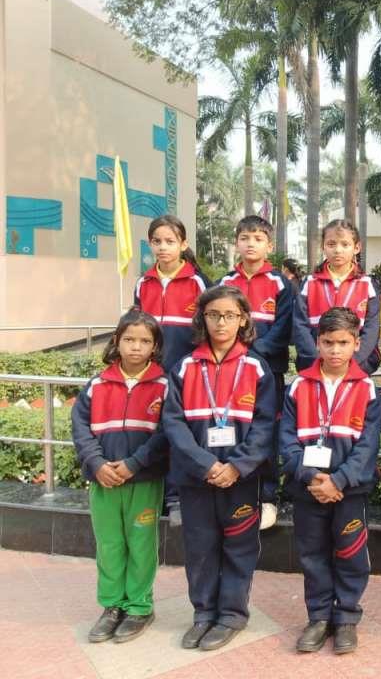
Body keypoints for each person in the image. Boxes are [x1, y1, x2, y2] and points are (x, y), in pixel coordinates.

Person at [162, 285, 276, 651]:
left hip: (240, 480)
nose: (221, 323)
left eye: (229, 315)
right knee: (200, 548)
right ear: (202, 319)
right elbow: (173, 423)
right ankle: (203, 613)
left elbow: (265, 426)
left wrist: (237, 466)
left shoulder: (256, 367)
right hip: (196, 478)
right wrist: (206, 464)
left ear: (243, 319)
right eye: (213, 315)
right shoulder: (185, 367)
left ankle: (231, 615)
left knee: (239, 548)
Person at [279, 307, 381, 655]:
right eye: (328, 342)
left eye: (343, 343)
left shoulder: (366, 388)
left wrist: (338, 480)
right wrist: (312, 477)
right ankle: (319, 617)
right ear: (317, 343)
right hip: (308, 488)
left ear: (357, 343)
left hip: (349, 491)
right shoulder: (298, 386)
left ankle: (347, 617)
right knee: (313, 554)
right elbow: (287, 440)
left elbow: (368, 445)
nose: (335, 350)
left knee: (351, 553)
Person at [72, 309, 168, 645]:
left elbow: (165, 433)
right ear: (116, 341)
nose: (136, 347)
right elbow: (80, 428)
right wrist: (97, 464)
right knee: (110, 544)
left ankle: (139, 607)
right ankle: (112, 606)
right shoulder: (97, 385)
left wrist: (133, 464)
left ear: (155, 346)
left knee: (141, 543)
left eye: (144, 341)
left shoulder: (164, 386)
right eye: (129, 339)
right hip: (104, 480)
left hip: (143, 480)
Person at [218, 215, 294, 530]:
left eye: (258, 238)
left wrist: (253, 355)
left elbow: (284, 328)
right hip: (230, 373)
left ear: (269, 245)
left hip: (268, 372)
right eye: (245, 238)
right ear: (236, 242)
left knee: (267, 431)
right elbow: (215, 323)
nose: (251, 244)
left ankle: (268, 497)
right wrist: (236, 356)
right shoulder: (224, 283)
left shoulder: (281, 284)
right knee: (235, 428)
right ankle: (237, 488)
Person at [134, 214, 209, 527]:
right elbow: (136, 329)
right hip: (151, 375)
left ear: (183, 244)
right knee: (152, 433)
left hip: (185, 376)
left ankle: (176, 498)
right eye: (157, 241)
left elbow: (205, 332)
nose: (163, 247)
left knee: (179, 435)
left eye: (170, 241)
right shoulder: (143, 283)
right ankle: (153, 495)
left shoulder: (197, 283)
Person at [294, 219, 381, 375]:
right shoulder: (309, 283)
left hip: (358, 366)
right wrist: (317, 358)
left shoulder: (367, 285)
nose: (338, 250)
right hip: (314, 364)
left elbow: (372, 329)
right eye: (331, 244)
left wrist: (353, 361)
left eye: (345, 244)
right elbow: (300, 325)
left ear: (356, 248)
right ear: (323, 247)